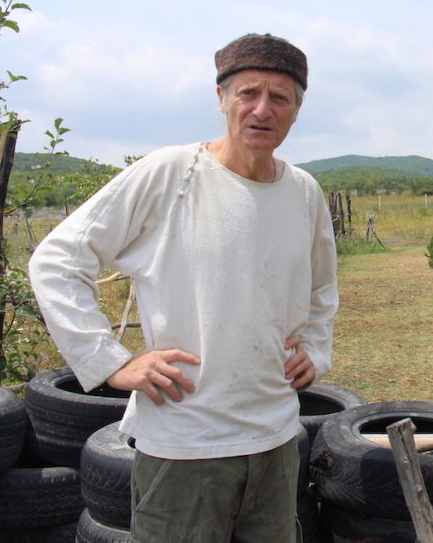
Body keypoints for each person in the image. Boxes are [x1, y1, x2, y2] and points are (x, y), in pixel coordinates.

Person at [28, 33, 339, 543]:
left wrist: (317, 349)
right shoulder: (173, 173)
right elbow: (58, 260)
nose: (263, 110)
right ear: (222, 99)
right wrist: (112, 362)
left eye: (280, 97)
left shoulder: (303, 190)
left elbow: (323, 288)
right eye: (248, 93)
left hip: (277, 441)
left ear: (297, 109)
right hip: (184, 444)